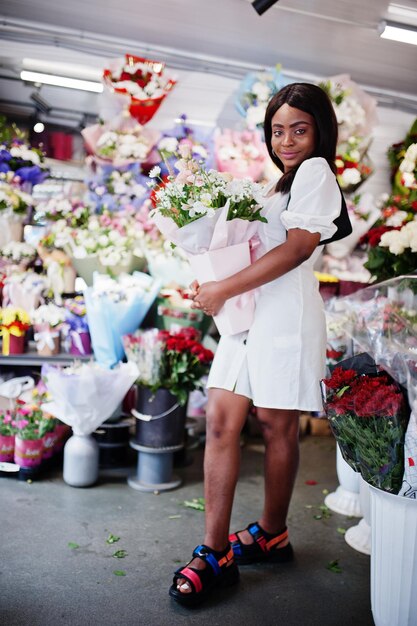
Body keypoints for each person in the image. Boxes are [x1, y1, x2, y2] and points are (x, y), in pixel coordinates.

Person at [169, 82, 344, 607]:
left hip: (286, 313)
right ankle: (214, 550)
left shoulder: (316, 175)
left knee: (275, 425)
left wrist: (223, 287)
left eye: (299, 129)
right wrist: (211, 277)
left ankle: (272, 532)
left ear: (319, 132)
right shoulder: (274, 186)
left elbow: (295, 251)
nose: (287, 140)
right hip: (246, 314)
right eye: (277, 130)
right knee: (222, 419)